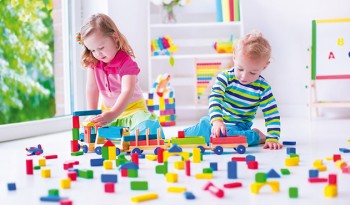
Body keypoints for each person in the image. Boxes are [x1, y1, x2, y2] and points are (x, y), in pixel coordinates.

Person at [184, 31, 283, 150]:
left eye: (253, 72)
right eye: (240, 69)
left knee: (231, 137)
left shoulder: (263, 87)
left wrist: (273, 137)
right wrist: (217, 121)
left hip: (239, 127)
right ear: (234, 57)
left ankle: (257, 135)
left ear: (264, 66)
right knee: (198, 129)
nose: (244, 77)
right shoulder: (225, 78)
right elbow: (215, 99)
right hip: (216, 121)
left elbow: (272, 113)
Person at [78, 13, 164, 137]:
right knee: (85, 131)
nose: (97, 54)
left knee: (149, 128)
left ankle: (123, 134)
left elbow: (127, 91)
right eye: (92, 50)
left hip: (133, 111)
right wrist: (92, 115)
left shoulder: (126, 63)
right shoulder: (94, 62)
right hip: (108, 113)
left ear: (115, 37)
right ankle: (118, 134)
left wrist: (113, 113)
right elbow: (92, 88)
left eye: (101, 47)